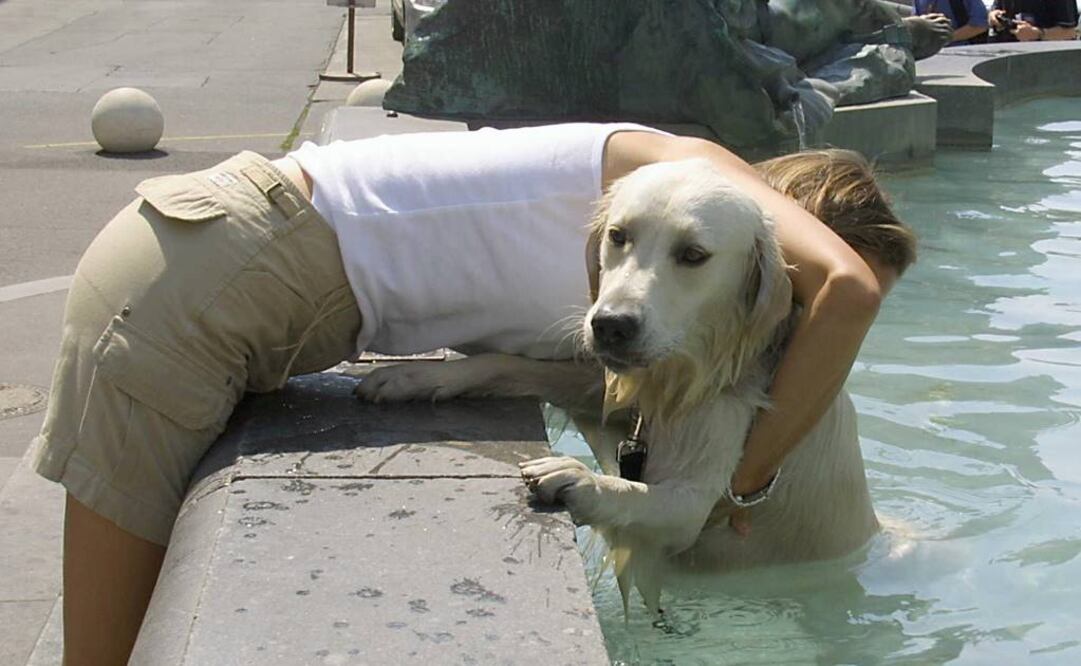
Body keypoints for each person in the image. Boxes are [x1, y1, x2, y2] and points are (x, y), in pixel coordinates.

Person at [31, 122, 913, 665]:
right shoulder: (690, 196)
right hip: (205, 281)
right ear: (790, 243)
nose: (807, 337)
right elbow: (851, 293)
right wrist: (745, 488)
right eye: (806, 300)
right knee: (104, 655)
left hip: (232, 267)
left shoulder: (662, 220)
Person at [989, 0, 1079, 41]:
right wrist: (994, 16)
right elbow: (995, 9)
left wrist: (1037, 34)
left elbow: (1069, 33)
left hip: (1044, 61)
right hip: (1007, 56)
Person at [912, 0, 990, 44]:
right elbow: (915, 25)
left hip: (963, 53)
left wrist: (947, 39)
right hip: (929, 55)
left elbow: (980, 26)